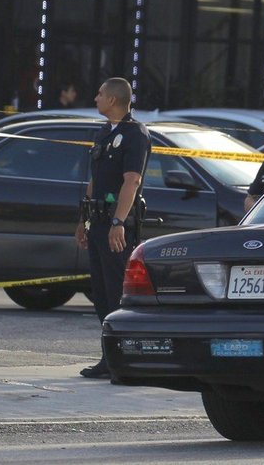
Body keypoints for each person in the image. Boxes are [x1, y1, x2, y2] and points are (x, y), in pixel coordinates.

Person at [75, 78, 151, 379]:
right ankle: (110, 358)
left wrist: (119, 222)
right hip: (98, 222)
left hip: (116, 225)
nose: (96, 98)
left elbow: (132, 180)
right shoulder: (105, 133)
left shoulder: (135, 135)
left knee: (119, 294)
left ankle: (127, 361)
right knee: (102, 293)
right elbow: (95, 180)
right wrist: (83, 219)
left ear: (114, 100)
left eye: (100, 94)